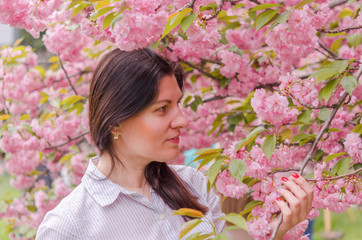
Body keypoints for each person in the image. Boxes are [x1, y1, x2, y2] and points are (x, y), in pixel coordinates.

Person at [36, 48, 313, 240]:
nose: (182, 120)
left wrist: (276, 231)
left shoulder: (194, 185)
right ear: (115, 121)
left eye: (178, 104)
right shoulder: (68, 226)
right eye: (162, 109)